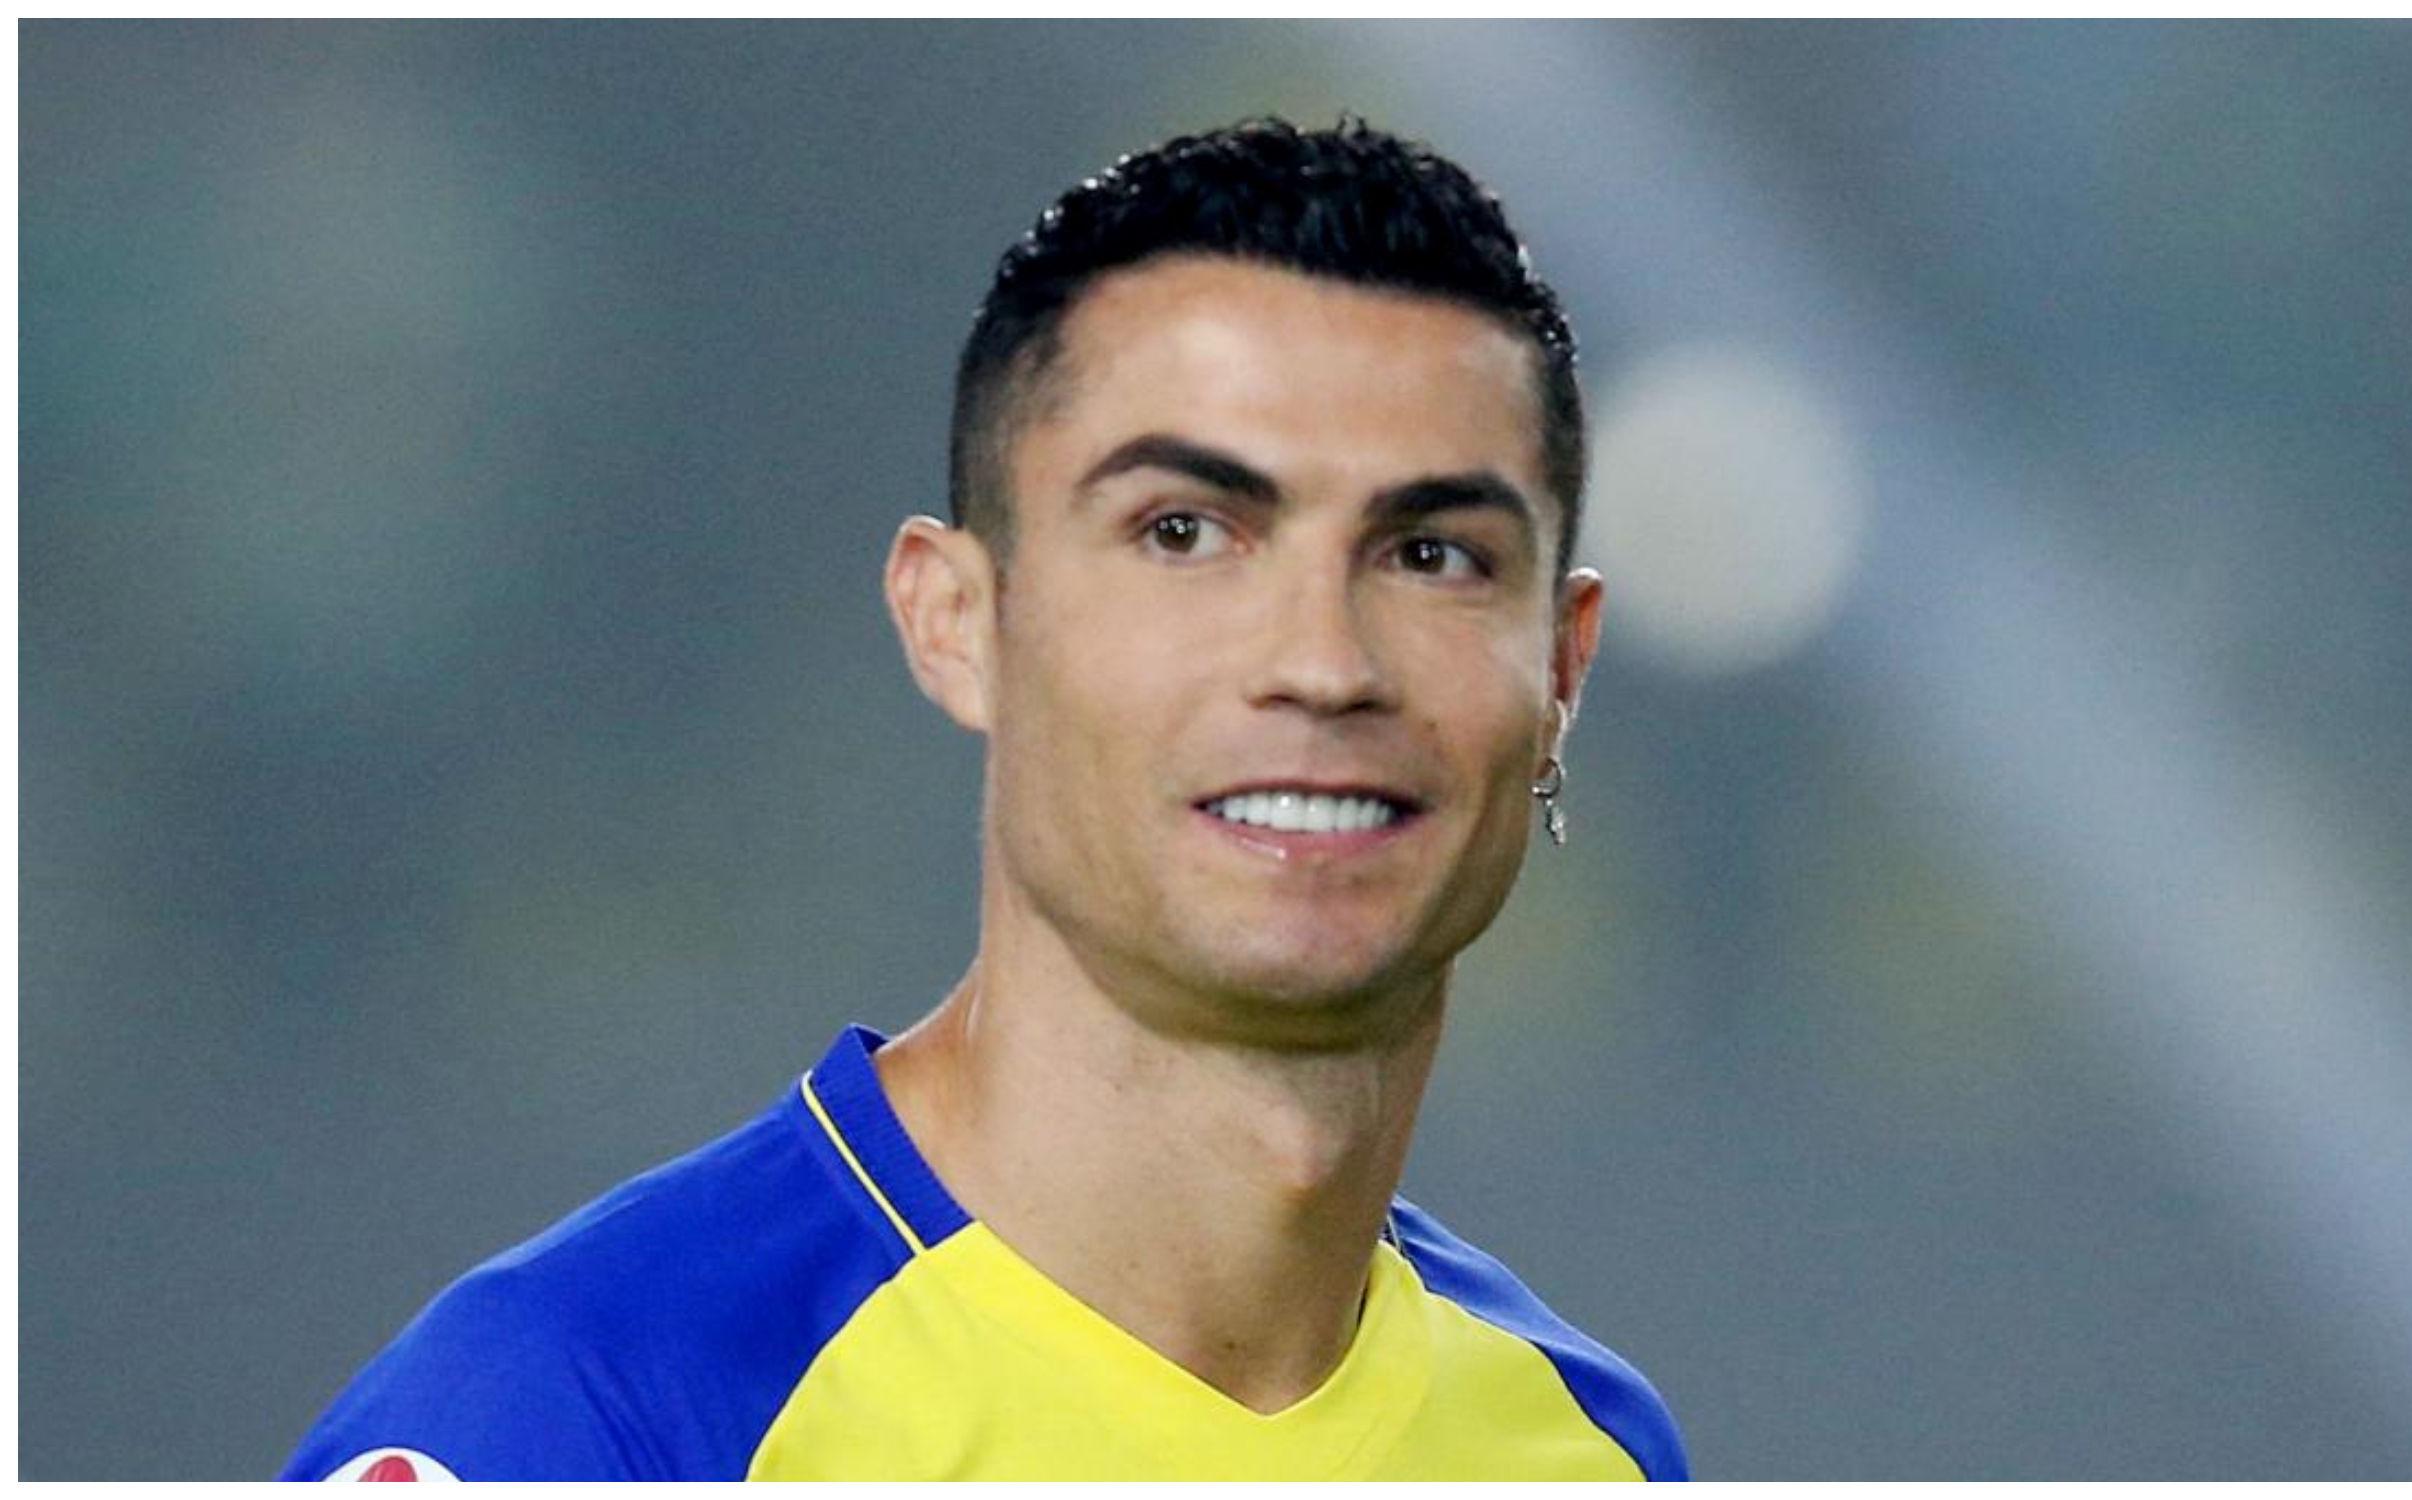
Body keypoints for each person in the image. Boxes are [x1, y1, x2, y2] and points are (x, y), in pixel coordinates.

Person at [279, 118, 1687, 1481]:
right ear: (957, 622)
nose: (1323, 664)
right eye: (1184, 533)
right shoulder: (584, 1415)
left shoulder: (1587, 1448)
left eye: (1434, 555)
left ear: (1562, 668)